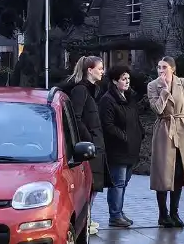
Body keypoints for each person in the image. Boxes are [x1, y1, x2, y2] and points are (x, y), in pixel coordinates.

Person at [145, 56, 184, 228]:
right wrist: (164, 90)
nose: (161, 71)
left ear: (173, 69)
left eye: (164, 67)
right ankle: (163, 214)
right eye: (159, 67)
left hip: (183, 130)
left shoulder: (182, 83)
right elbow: (157, 108)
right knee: (163, 174)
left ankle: (175, 212)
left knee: (178, 173)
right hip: (164, 130)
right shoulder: (153, 85)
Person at [61, 56, 107, 234]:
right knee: (89, 185)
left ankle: (89, 218)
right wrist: (89, 140)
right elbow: (77, 118)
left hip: (95, 144)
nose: (103, 71)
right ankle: (86, 220)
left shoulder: (92, 91)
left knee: (94, 186)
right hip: (89, 146)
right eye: (100, 68)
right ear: (90, 70)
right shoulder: (81, 90)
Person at [98, 64, 146, 227]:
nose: (127, 82)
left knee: (124, 182)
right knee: (117, 183)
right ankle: (115, 215)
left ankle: (119, 211)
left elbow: (135, 119)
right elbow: (108, 125)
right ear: (114, 81)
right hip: (117, 149)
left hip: (131, 148)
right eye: (123, 79)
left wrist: (140, 133)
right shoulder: (108, 100)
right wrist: (124, 137)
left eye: (128, 79)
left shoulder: (129, 97)